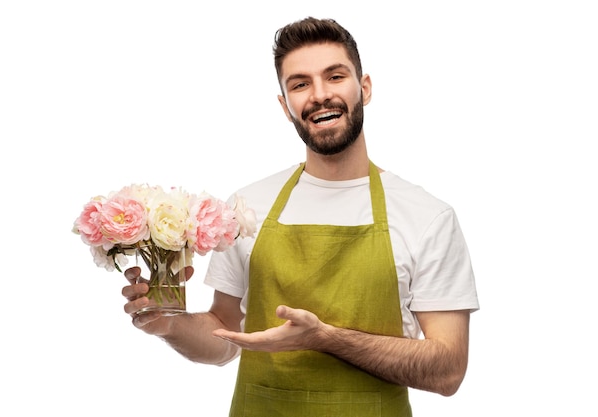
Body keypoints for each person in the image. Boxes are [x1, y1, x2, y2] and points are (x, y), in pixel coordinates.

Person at [123, 17, 479, 416]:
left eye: (335, 76)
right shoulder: (246, 208)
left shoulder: (427, 217)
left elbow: (448, 371)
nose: (320, 95)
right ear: (285, 105)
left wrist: (324, 338)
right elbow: (224, 338)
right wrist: (170, 324)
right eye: (300, 84)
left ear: (364, 88)